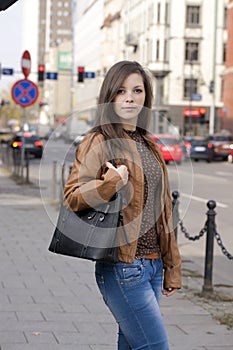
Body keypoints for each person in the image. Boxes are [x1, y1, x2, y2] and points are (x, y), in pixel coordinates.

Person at [64, 60, 182, 350]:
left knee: (130, 345)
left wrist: (171, 265)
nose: (130, 97)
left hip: (152, 267)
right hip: (123, 267)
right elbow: (73, 197)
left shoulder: (147, 142)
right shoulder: (98, 140)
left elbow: (163, 211)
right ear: (110, 96)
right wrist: (110, 183)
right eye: (121, 90)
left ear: (146, 96)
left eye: (137, 90)